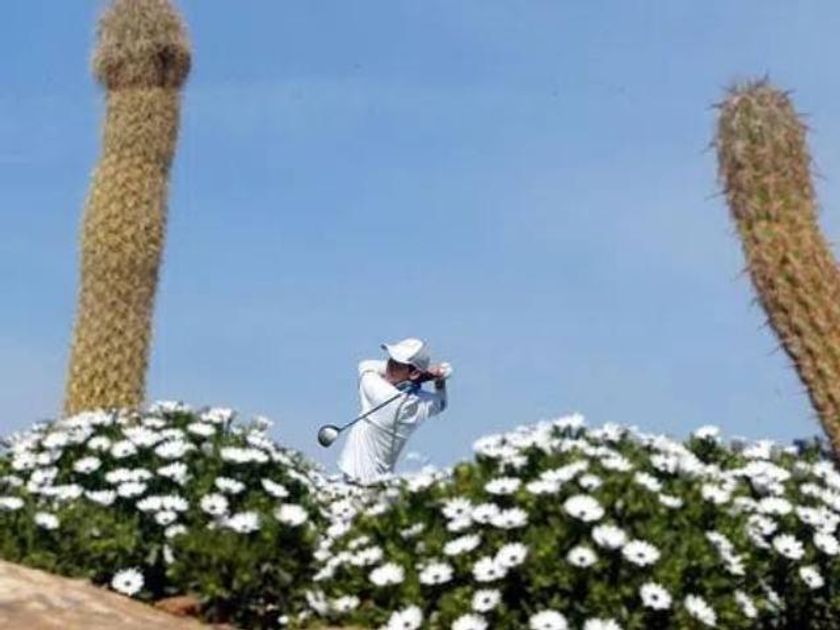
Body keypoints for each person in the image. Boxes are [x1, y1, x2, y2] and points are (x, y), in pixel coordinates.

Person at [337, 337, 452, 484]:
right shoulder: (420, 403)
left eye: (398, 364)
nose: (390, 366)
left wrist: (429, 374)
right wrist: (438, 379)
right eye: (391, 360)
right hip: (381, 483)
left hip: (355, 481)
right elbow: (441, 403)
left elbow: (365, 365)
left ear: (414, 373)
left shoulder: (381, 394)